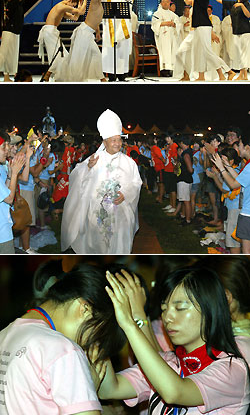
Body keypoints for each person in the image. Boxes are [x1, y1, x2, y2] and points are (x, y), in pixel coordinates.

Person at [106, 260, 250, 413]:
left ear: (210, 309)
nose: (167, 317)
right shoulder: (170, 362)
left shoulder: (232, 368)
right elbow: (110, 388)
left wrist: (130, 324)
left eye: (180, 308)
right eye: (164, 308)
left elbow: (175, 392)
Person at [0, 255, 121, 402]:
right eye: (97, 333)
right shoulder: (65, 350)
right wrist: (88, 391)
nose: (91, 344)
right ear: (85, 309)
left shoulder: (5, 333)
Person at [61, 108, 141, 253]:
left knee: (118, 246)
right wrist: (88, 168)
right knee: (98, 245)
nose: (117, 143)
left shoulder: (129, 162)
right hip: (97, 213)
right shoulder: (94, 159)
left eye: (119, 139)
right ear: (105, 142)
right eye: (113, 140)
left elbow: (136, 182)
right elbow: (76, 176)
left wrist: (125, 193)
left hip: (120, 213)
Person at [0, 0, 34, 78]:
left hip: (14, 32)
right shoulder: (11, 3)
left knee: (11, 57)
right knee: (4, 56)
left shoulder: (15, 3)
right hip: (9, 33)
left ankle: (7, 77)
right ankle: (6, 76)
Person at [101, 0, 134, 75]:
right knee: (110, 50)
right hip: (110, 24)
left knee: (122, 49)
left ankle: (122, 73)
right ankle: (110, 73)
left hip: (122, 24)